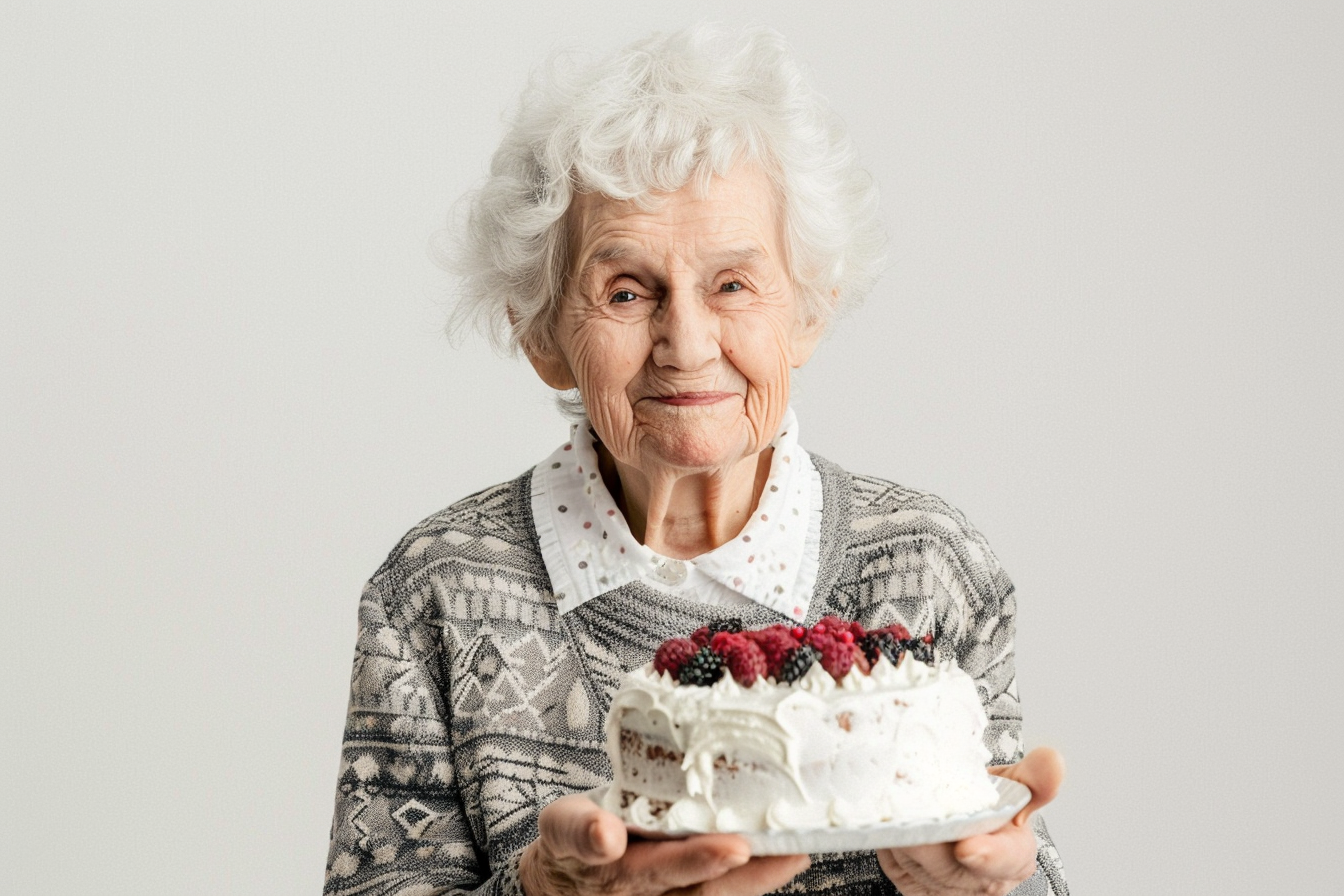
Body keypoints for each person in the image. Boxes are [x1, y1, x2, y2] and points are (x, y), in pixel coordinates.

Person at [324, 26, 1067, 896]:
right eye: (628, 292)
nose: (686, 343)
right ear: (543, 336)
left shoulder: (933, 571)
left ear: (809, 313)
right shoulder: (434, 591)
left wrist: (980, 889)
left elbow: (1015, 860)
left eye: (732, 284)